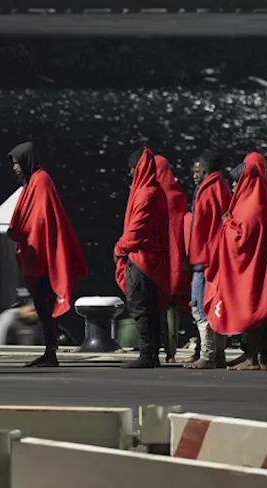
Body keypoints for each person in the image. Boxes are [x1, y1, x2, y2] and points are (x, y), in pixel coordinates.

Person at [6, 142, 88, 368]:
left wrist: (22, 231)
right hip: (37, 256)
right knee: (42, 305)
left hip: (44, 258)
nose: (15, 168)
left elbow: (43, 220)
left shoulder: (41, 181)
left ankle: (50, 351)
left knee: (45, 304)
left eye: (17, 163)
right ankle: (49, 350)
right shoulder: (32, 182)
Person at [204, 153, 267, 371]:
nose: (234, 186)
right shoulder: (262, 197)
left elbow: (242, 239)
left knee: (251, 311)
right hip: (261, 266)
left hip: (250, 270)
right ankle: (259, 357)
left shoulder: (252, 203)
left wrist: (226, 223)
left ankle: (253, 358)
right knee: (260, 313)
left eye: (237, 181)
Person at [114, 148, 171, 369]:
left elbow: (136, 231)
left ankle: (147, 354)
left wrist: (119, 248)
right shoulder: (156, 191)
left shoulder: (145, 194)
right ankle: (152, 352)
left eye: (132, 169)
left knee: (140, 307)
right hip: (153, 260)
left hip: (141, 260)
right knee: (150, 308)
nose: (130, 173)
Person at [185, 151, 232, 370]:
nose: (194, 175)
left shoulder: (207, 190)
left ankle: (208, 354)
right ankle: (219, 354)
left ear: (206, 171)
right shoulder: (221, 188)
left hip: (204, 257)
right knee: (215, 305)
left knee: (199, 306)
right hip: (215, 255)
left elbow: (202, 226)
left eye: (198, 171)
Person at [153, 155, 190, 363]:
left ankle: (157, 348)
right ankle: (171, 350)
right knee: (174, 305)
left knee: (157, 304)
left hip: (159, 257)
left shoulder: (154, 194)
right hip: (178, 257)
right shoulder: (179, 195)